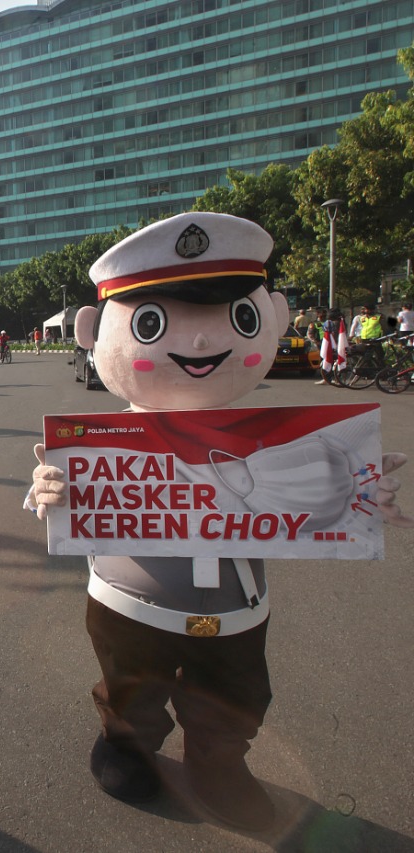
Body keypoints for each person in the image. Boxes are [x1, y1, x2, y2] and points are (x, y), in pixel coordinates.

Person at [24, 211, 412, 832]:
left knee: (233, 695)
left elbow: (317, 496)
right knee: (129, 683)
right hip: (128, 600)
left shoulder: (279, 441)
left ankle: (218, 763)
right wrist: (49, 489)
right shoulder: (102, 443)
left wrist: (364, 493)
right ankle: (128, 742)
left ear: (274, 319)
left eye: (239, 317)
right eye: (151, 324)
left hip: (237, 603)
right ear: (94, 332)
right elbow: (72, 495)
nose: (202, 344)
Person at [318, 307, 347, 384]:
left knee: (333, 361)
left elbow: (335, 335)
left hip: (335, 345)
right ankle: (330, 378)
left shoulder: (337, 323)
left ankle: (333, 378)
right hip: (333, 344)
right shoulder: (340, 321)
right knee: (331, 361)